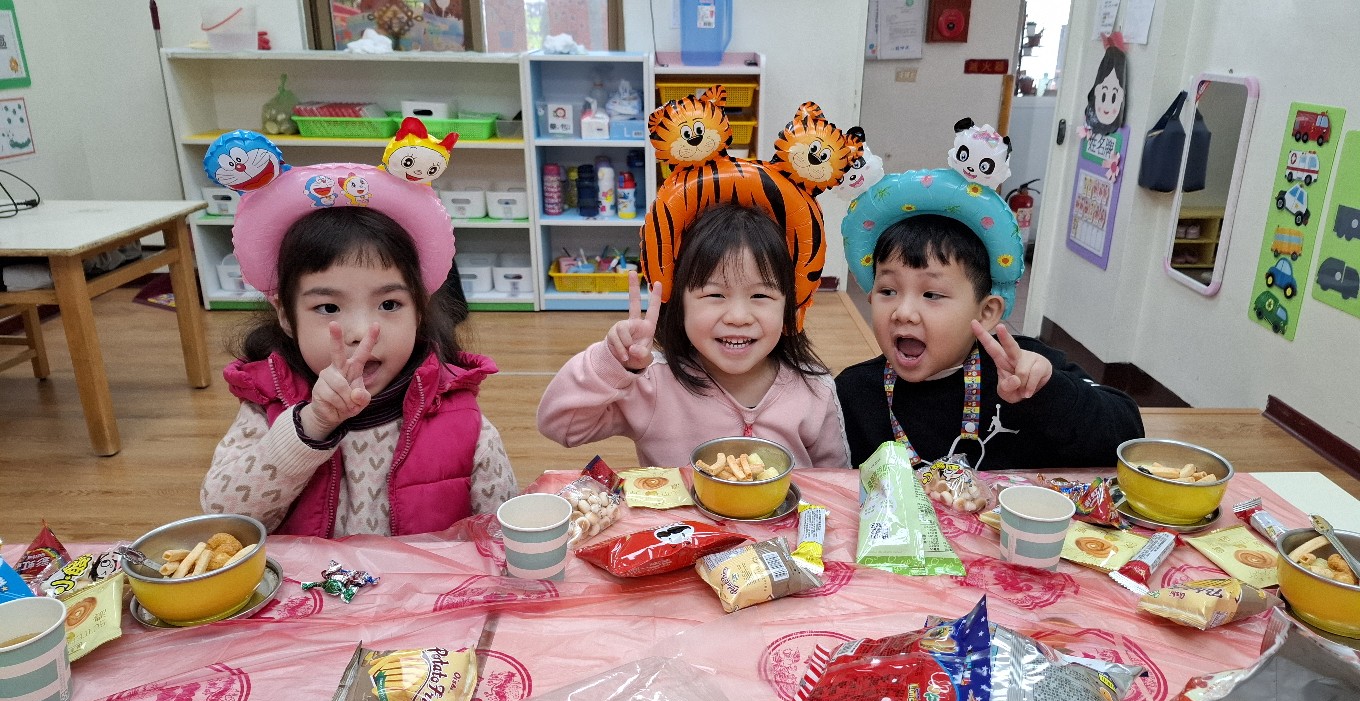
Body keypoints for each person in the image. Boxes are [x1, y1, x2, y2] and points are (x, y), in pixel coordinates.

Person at [200, 153, 515, 536]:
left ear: (419, 310)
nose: (361, 333)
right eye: (328, 307)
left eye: (389, 305)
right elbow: (225, 518)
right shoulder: (266, 406)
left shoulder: (463, 421)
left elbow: (500, 538)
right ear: (285, 314)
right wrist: (311, 426)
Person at [837, 169, 1143, 469]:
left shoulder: (1023, 369)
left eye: (931, 294)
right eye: (888, 291)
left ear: (986, 313)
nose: (903, 312)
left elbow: (1128, 439)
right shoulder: (853, 393)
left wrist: (1048, 392)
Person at [537, 203, 851, 469]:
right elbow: (562, 426)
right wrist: (612, 364)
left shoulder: (814, 391)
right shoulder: (653, 386)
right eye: (715, 295)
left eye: (760, 296)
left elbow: (837, 487)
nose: (738, 317)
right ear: (680, 305)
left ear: (789, 307)